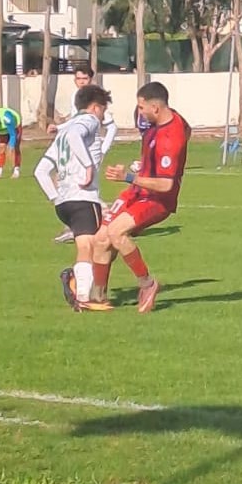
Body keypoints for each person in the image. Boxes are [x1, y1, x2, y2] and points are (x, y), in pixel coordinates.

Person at [89, 82, 192, 313]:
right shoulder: (170, 119)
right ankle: (98, 296)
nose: (139, 112)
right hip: (138, 190)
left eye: (142, 107)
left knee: (116, 232)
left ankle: (147, 283)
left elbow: (166, 185)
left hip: (157, 199)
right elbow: (189, 129)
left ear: (155, 108)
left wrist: (128, 176)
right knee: (101, 238)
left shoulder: (170, 139)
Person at [36, 84, 114, 313]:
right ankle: (82, 296)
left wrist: (55, 197)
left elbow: (40, 171)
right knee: (88, 246)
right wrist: (89, 166)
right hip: (83, 198)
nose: (102, 117)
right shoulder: (87, 121)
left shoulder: (60, 136)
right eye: (102, 110)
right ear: (95, 107)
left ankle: (77, 282)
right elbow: (74, 135)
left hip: (63, 204)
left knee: (98, 241)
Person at [52, 65, 119, 245]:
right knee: (63, 180)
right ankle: (81, 224)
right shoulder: (78, 99)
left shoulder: (95, 100)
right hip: (77, 149)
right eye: (78, 79)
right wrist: (58, 128)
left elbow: (112, 127)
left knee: (77, 185)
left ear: (90, 79)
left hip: (88, 151)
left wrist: (103, 149)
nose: (81, 82)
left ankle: (91, 223)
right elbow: (74, 124)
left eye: (84, 79)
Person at [0, 105, 23, 179]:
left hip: (14, 127)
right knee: (1, 148)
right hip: (2, 130)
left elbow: (12, 134)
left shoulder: (7, 118)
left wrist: (11, 146)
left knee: (15, 148)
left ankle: (16, 171)